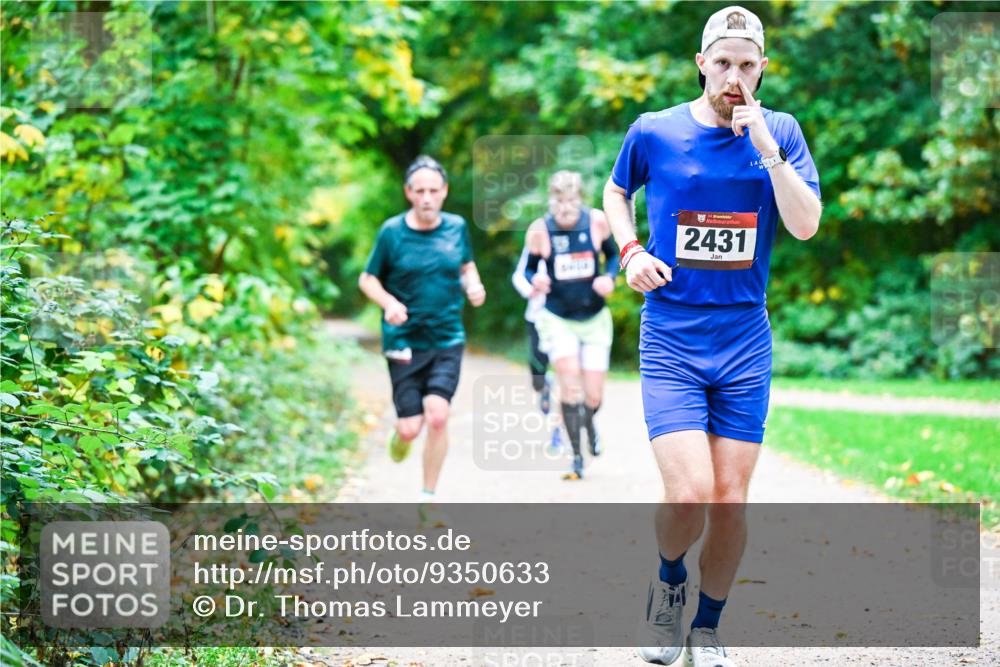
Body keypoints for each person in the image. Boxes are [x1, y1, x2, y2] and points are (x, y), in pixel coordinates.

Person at [602, 6, 821, 666]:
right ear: (701, 63)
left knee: (729, 500)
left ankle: (707, 627)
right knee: (689, 490)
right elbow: (616, 193)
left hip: (744, 338)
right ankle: (669, 584)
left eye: (747, 65)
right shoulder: (655, 131)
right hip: (672, 334)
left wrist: (769, 153)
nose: (735, 77)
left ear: (763, 69)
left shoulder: (780, 131)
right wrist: (631, 249)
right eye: (722, 63)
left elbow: (807, 224)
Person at [359, 155, 486, 512]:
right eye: (420, 191)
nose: (427, 197)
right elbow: (367, 279)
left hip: (447, 337)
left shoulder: (456, 227)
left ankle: (427, 498)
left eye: (434, 190)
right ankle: (401, 436)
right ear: (409, 193)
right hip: (404, 342)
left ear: (444, 192)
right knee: (411, 428)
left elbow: (466, 264)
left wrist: (473, 284)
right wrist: (388, 303)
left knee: (439, 415)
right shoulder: (392, 233)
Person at [524, 171, 619, 480]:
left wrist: (609, 277)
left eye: (571, 201)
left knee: (593, 396)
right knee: (569, 383)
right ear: (550, 200)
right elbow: (527, 270)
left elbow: (614, 256)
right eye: (559, 202)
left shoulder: (596, 221)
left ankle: (589, 421)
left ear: (580, 199)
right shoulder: (540, 231)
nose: (565, 209)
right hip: (557, 317)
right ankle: (576, 456)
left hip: (593, 317)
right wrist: (534, 279)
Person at [512, 245, 562, 452]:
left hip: (563, 320)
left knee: (565, 375)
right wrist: (530, 288)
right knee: (537, 374)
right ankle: (543, 387)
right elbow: (519, 275)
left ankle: (558, 433)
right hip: (536, 316)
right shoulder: (537, 243)